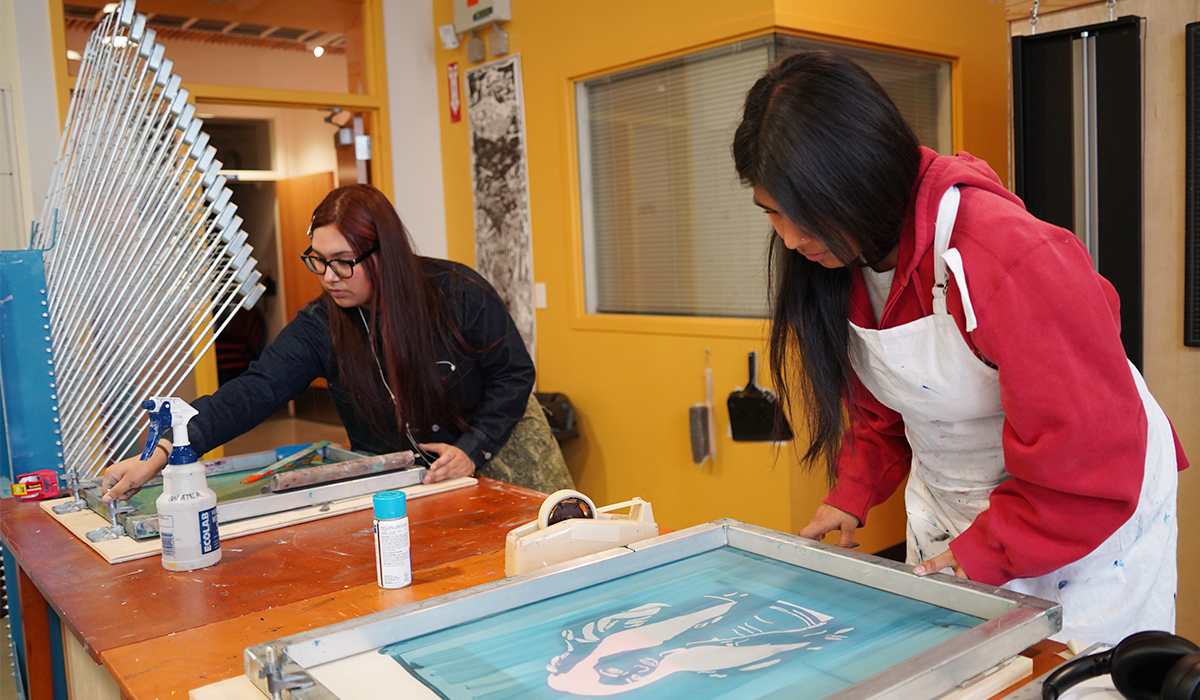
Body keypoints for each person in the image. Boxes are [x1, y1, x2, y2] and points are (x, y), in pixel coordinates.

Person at [732, 50, 1187, 644]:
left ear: (864, 180)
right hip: (957, 503)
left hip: (1081, 512)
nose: (791, 241)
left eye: (807, 217)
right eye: (773, 215)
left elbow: (1089, 461)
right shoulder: (843, 261)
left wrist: (991, 548)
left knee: (1065, 673)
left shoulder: (1011, 259)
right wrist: (854, 493)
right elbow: (888, 406)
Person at [103, 183, 537, 501]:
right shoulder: (320, 325)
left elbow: (514, 375)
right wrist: (164, 450)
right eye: (318, 260)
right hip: (405, 481)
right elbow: (254, 390)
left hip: (496, 448)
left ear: (383, 254)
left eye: (344, 263)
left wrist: (471, 449)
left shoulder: (456, 291)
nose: (329, 277)